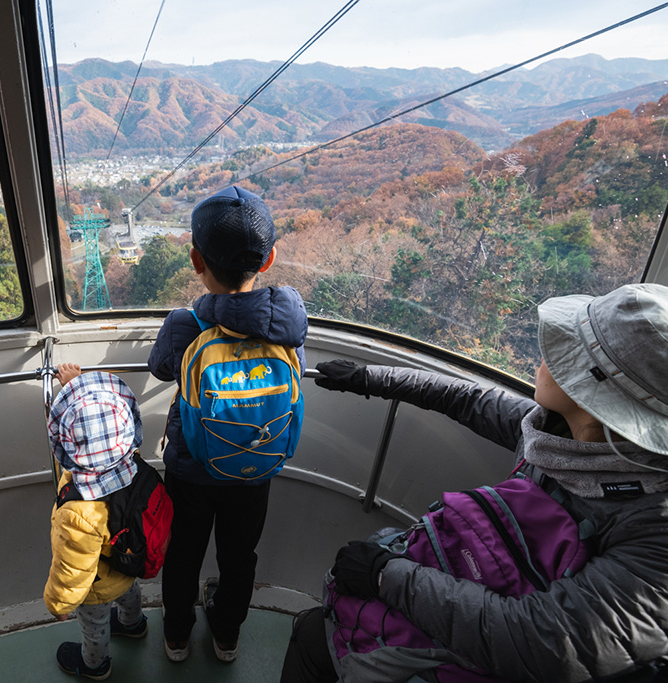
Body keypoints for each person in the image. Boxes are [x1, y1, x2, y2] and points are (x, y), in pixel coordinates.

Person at [281, 283, 668, 682]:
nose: (545, 357)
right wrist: (368, 377)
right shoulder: (557, 434)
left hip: (487, 661)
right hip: (455, 616)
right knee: (313, 631)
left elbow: (548, 642)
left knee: (313, 640)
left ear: (594, 390)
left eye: (563, 351)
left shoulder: (654, 527)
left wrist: (386, 576)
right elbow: (467, 398)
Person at [148, 185, 308, 662]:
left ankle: (177, 636)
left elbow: (161, 368)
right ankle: (227, 637)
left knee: (184, 555)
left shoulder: (183, 324)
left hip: (191, 466)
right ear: (269, 257)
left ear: (196, 261)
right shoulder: (288, 326)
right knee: (239, 558)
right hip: (257, 464)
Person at [44, 363, 148, 680]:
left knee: (94, 625)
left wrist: (59, 604)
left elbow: (73, 571)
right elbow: (105, 426)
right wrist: (77, 383)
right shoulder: (134, 463)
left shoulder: (77, 512)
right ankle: (134, 624)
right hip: (129, 564)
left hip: (97, 587)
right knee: (130, 594)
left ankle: (95, 664)